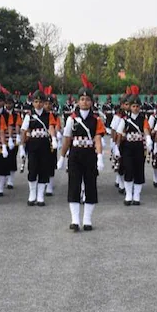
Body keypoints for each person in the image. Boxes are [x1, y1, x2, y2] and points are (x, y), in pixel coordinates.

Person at [57, 75, 105, 231]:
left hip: (90, 154)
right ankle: (75, 220)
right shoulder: (71, 119)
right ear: (77, 101)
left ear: (92, 102)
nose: (85, 101)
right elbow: (67, 139)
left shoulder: (96, 119)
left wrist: (99, 157)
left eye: (87, 99)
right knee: (74, 185)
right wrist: (62, 157)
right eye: (82, 99)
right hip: (75, 154)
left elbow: (97, 138)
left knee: (90, 185)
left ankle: (87, 220)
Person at [115, 85, 152, 206]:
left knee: (139, 171)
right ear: (130, 107)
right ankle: (128, 194)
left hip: (139, 147)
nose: (136, 108)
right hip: (127, 147)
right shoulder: (124, 119)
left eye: (137, 106)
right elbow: (119, 134)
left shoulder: (143, 118)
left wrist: (148, 138)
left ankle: (137, 195)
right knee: (128, 169)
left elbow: (146, 129)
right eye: (133, 106)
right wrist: (116, 147)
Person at [20, 89, 58, 206]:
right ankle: (32, 194)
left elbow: (51, 127)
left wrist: (54, 138)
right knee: (32, 169)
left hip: (44, 144)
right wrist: (22, 146)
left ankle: (40, 195)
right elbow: (23, 131)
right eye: (36, 101)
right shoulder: (29, 116)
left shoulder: (49, 115)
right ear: (32, 102)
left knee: (43, 169)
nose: (38, 104)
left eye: (41, 102)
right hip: (33, 144)